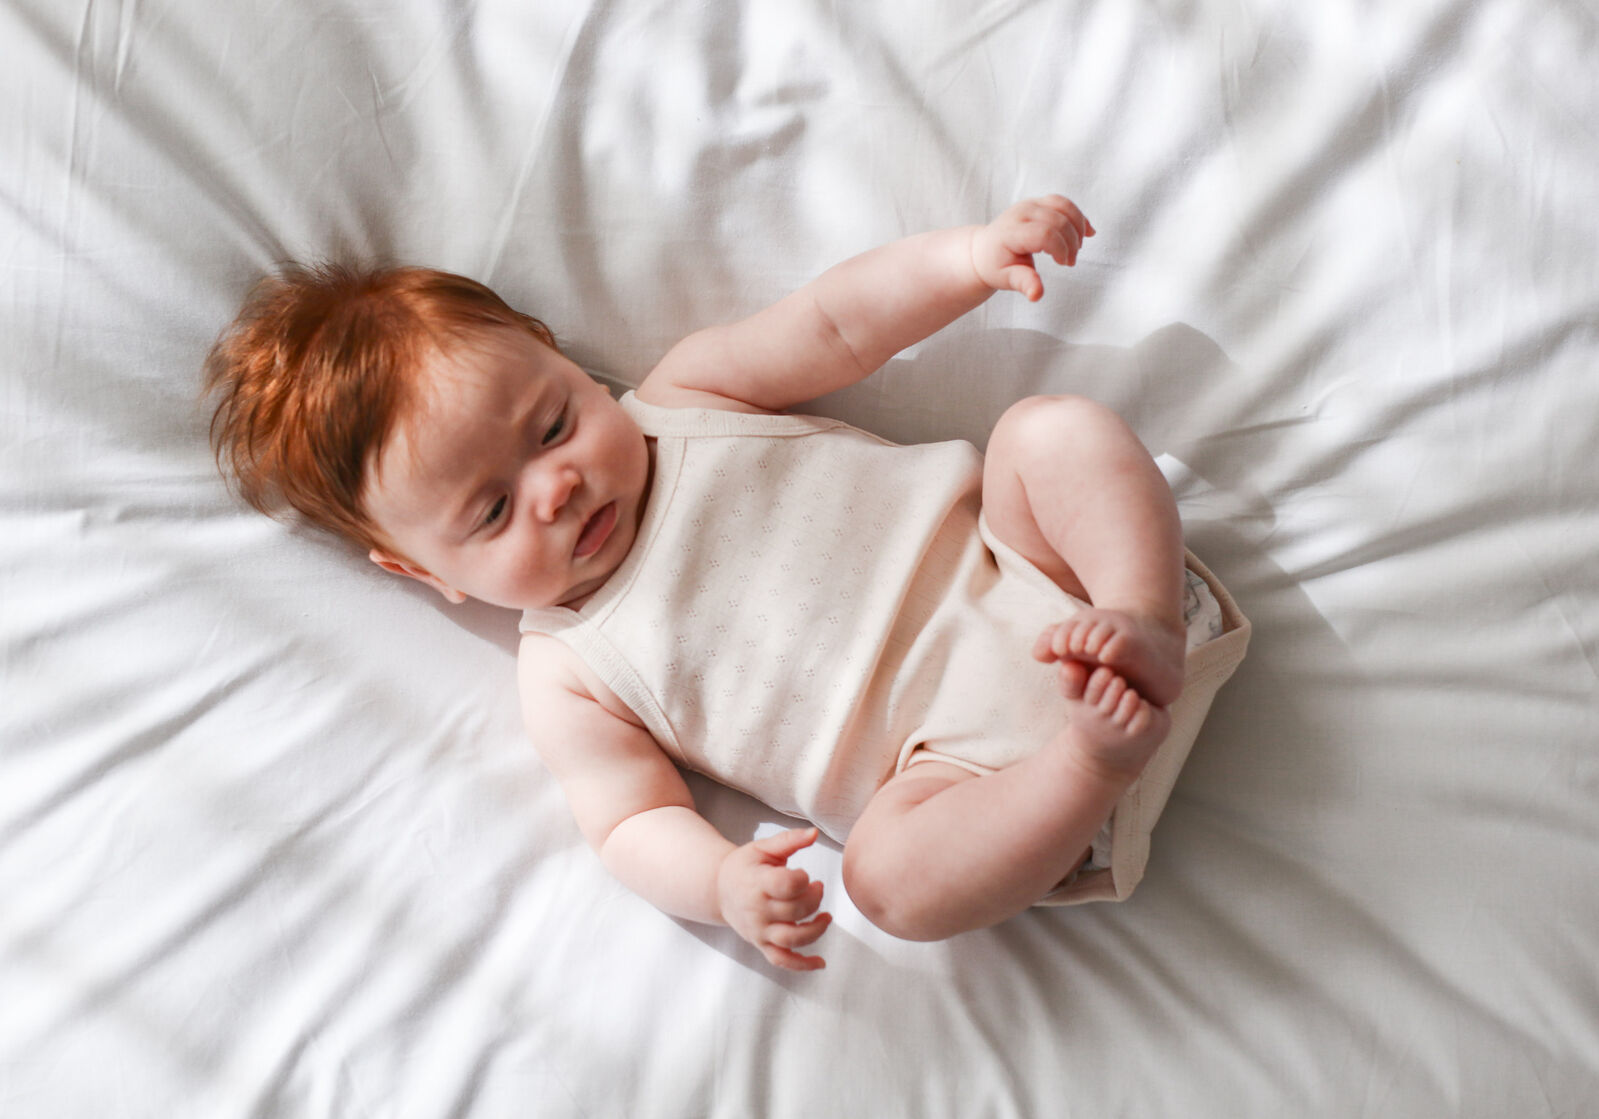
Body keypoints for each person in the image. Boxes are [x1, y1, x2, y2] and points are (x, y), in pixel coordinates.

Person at [206, 195, 1247, 972]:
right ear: (421, 572)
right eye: (490, 511)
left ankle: (1146, 619)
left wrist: (969, 259)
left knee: (1048, 434)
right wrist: (717, 882)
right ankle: (1098, 761)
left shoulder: (688, 396)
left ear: (555, 354)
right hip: (970, 784)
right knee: (884, 880)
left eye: (555, 424)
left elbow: (839, 321)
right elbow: (625, 821)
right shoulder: (568, 672)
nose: (557, 488)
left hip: (1035, 574)